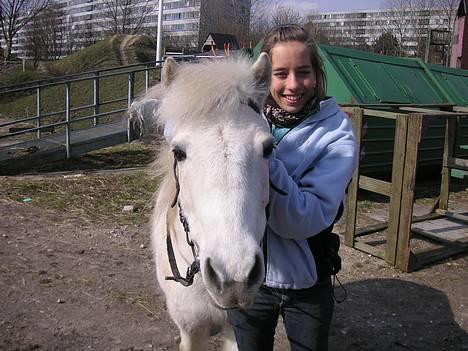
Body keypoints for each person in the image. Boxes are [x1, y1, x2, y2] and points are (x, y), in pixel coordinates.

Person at [226, 24, 358, 351]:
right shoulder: (245, 116)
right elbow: (181, 124)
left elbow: (302, 219)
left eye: (303, 72)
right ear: (264, 75)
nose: (293, 85)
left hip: (307, 284)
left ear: (316, 73)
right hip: (249, 274)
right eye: (280, 73)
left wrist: (263, 154)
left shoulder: (338, 134)